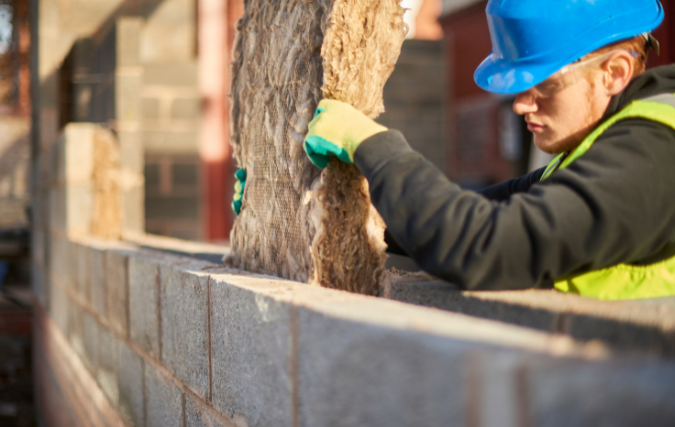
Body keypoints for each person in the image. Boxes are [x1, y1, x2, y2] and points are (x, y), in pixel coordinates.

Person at [301, 0, 675, 300]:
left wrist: (372, 144)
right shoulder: (599, 147)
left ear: (614, 73)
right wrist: (313, 205)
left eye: (544, 84)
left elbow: (481, 244)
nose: (521, 105)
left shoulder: (656, 157)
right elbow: (471, 212)